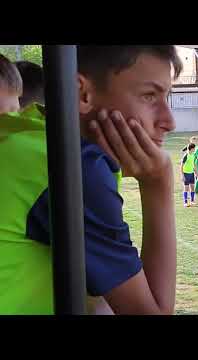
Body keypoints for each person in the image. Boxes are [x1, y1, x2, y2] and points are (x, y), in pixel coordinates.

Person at [0, 46, 183, 315]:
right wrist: (158, 182)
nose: (169, 121)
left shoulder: (23, 130)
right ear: (82, 94)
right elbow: (151, 312)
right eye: (149, 96)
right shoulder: (68, 167)